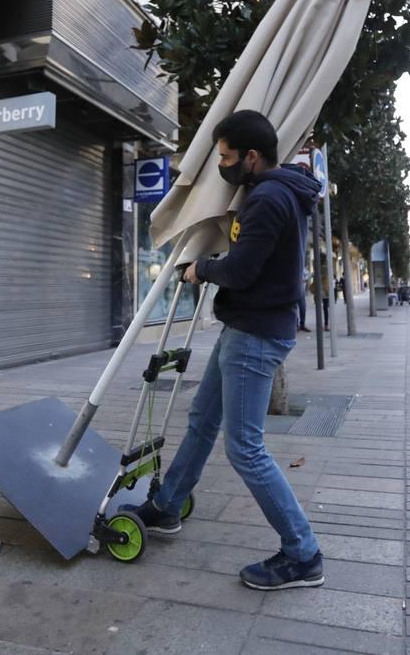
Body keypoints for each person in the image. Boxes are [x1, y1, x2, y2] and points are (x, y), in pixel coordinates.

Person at [122, 110, 324, 590]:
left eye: (228, 157)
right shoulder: (276, 191)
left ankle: (303, 554)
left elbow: (242, 271)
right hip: (247, 328)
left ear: (251, 157)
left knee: (245, 448)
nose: (223, 166)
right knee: (202, 418)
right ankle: (168, 505)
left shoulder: (267, 199)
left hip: (254, 334)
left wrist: (202, 270)